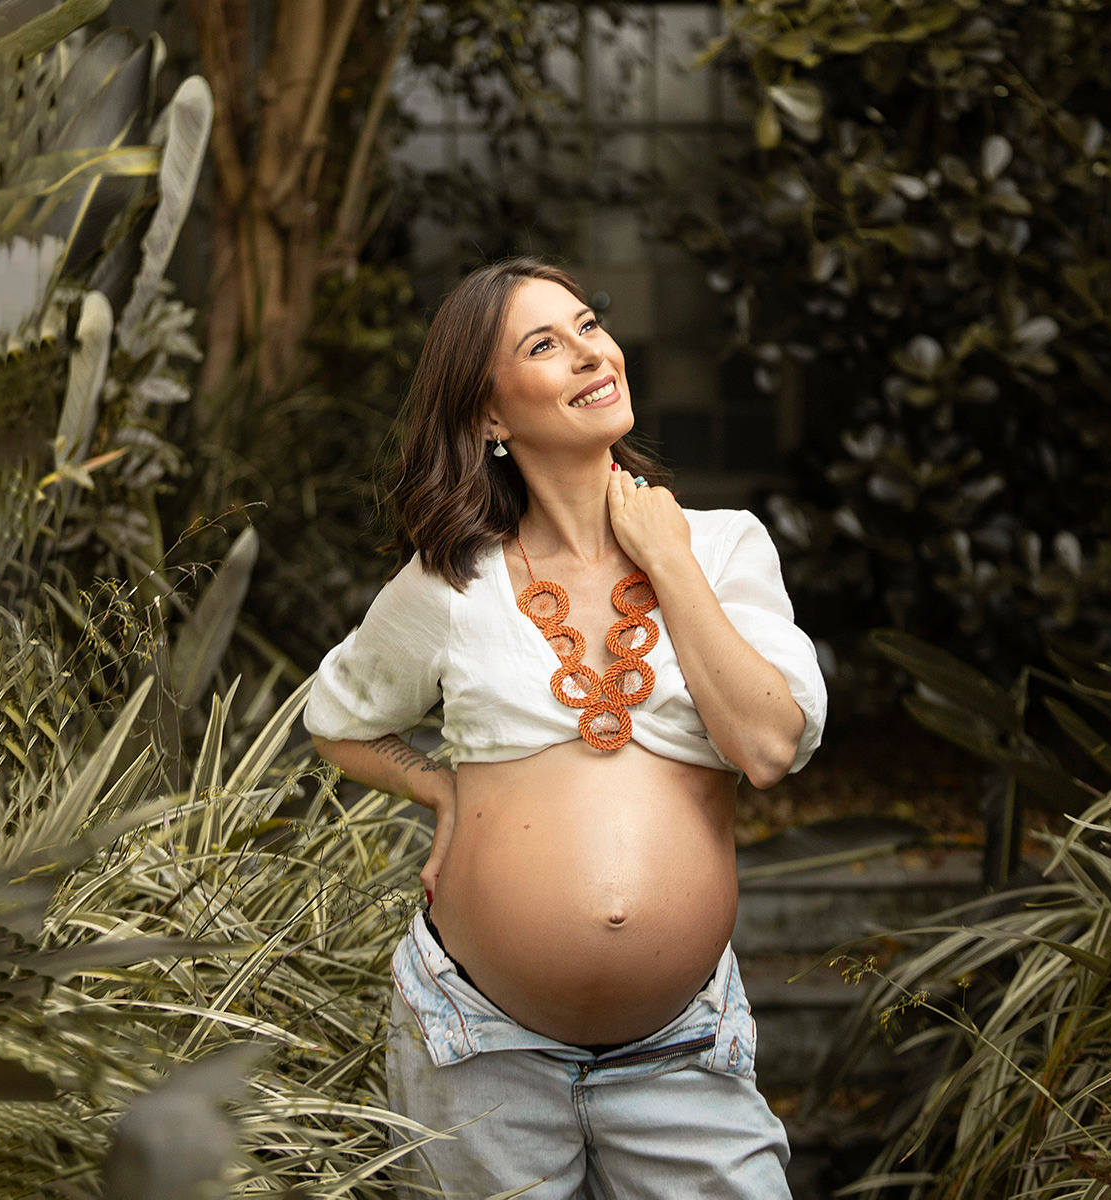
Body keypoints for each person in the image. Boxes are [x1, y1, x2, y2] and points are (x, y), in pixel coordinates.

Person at [304, 257, 827, 1199]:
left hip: (683, 1048)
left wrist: (669, 560)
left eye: (591, 325)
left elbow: (767, 747)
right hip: (477, 1044)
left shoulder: (723, 546)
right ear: (489, 415)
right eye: (546, 344)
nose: (591, 353)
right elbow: (338, 721)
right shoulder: (449, 584)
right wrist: (440, 786)